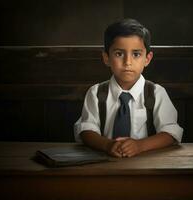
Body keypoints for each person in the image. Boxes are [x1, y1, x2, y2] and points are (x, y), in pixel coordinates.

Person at [74, 18, 183, 158]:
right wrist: (107, 145)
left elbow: (171, 132)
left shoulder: (156, 93)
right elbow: (86, 130)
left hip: (146, 164)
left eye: (136, 54)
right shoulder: (96, 93)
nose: (127, 62)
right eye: (119, 54)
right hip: (105, 163)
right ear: (106, 58)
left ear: (147, 59)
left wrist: (139, 146)